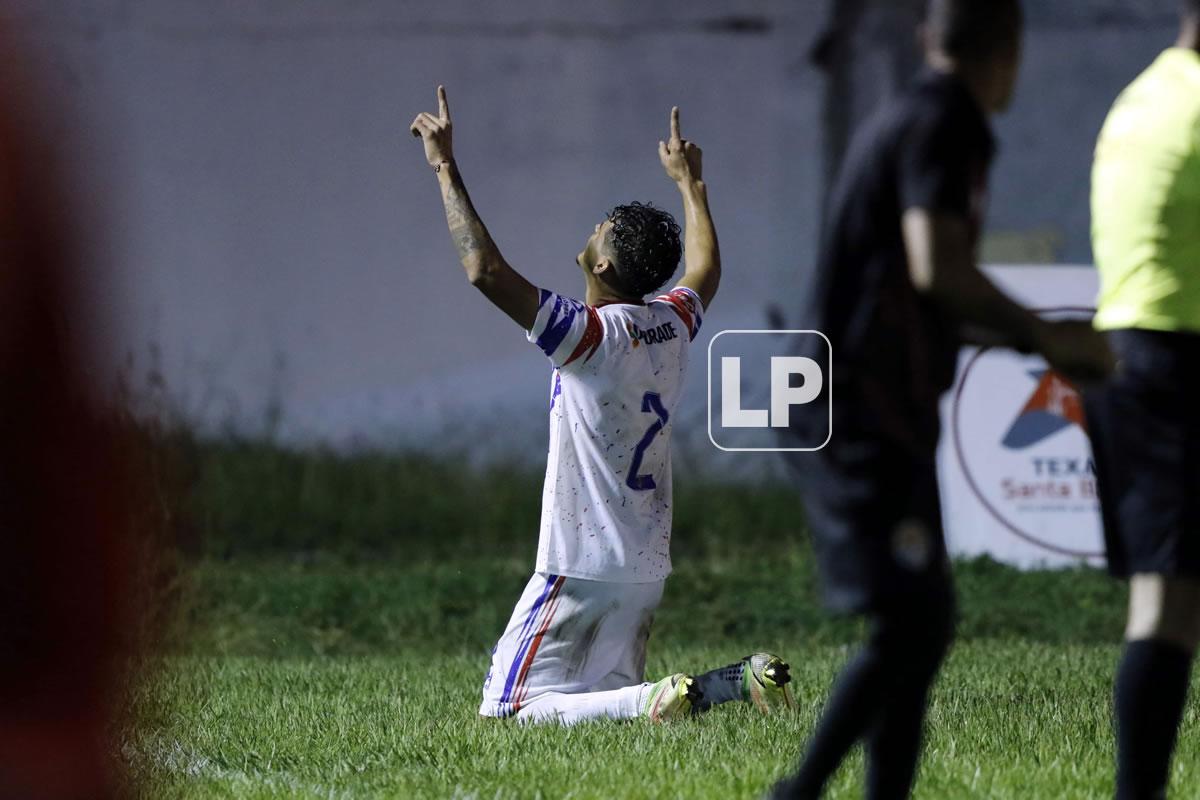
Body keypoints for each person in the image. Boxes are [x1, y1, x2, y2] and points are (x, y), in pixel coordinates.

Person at [771, 1, 1112, 796]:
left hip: (866, 402)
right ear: (1010, 53)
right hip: (852, 410)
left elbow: (916, 296)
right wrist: (1044, 338)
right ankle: (798, 790)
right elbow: (938, 267)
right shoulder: (945, 123)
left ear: (928, 39)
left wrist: (1045, 334)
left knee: (921, 625)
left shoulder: (914, 115)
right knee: (914, 624)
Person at [410, 88, 794, 724]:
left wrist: (444, 166)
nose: (591, 231)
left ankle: (649, 698)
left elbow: (484, 270)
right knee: (589, 705)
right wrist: (690, 184)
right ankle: (740, 682)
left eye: (600, 231)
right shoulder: (669, 324)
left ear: (606, 262)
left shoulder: (589, 337)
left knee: (506, 708)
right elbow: (704, 270)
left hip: (580, 560)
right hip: (645, 560)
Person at [1087, 2, 1200, 796]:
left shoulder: (1145, 94)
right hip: (1175, 359)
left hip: (1134, 356)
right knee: (1165, 606)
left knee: (1168, 602)